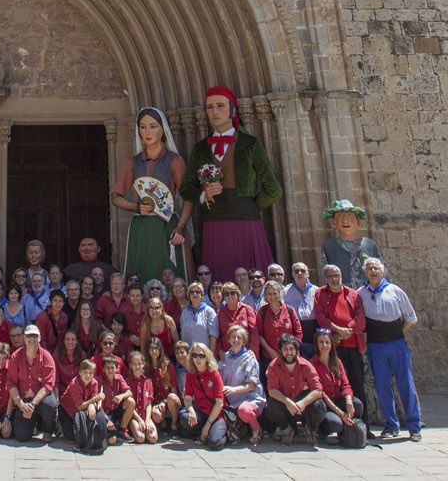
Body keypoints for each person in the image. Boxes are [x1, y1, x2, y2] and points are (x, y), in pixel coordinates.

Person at [176, 87, 281, 280]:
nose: (214, 111)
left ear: (233, 111)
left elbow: (273, 189)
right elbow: (185, 188)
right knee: (219, 282)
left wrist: (249, 205)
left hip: (246, 223)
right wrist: (203, 195)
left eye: (220, 106)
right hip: (213, 222)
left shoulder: (250, 144)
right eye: (209, 107)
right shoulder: (200, 148)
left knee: (252, 281)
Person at [113, 107, 188, 285]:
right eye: (143, 126)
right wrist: (137, 207)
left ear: (163, 129)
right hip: (141, 227)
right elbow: (116, 197)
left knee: (169, 274)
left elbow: (188, 198)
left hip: (167, 226)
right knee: (141, 273)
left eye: (153, 126)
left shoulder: (175, 161)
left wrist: (180, 227)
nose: (147, 132)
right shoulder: (133, 162)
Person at [361, 257, 422, 441]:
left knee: (406, 383)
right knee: (382, 385)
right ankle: (391, 424)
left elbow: (410, 318)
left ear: (382, 271)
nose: (373, 271)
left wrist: (394, 332)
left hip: (396, 343)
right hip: (375, 344)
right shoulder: (361, 293)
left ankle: (414, 426)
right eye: (369, 268)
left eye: (376, 268)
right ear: (365, 272)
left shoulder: (395, 291)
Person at [314, 263, 367, 415]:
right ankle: (341, 420)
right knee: (336, 384)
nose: (334, 279)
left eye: (336, 275)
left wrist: (347, 331)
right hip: (333, 348)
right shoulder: (320, 294)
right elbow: (321, 317)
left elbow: (360, 318)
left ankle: (363, 425)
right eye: (330, 276)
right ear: (325, 278)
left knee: (357, 384)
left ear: (341, 276)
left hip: (352, 346)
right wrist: (336, 331)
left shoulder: (352, 294)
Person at [262, 333, 325, 445]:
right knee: (270, 406)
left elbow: (318, 390)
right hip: (285, 404)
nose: (289, 352)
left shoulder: (307, 366)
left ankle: (310, 429)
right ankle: (286, 430)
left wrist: (303, 403)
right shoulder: (273, 366)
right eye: (285, 349)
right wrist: (287, 402)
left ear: (296, 350)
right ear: (280, 351)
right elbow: (272, 390)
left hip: (303, 405)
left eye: (291, 349)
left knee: (319, 405)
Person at [312, 327, 366, 447]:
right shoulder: (312, 364)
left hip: (338, 399)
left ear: (331, 344)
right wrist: (339, 412)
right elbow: (320, 392)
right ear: (316, 344)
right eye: (321, 342)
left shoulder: (337, 362)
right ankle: (322, 432)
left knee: (357, 404)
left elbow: (346, 384)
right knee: (335, 423)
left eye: (327, 342)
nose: (324, 345)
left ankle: (348, 432)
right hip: (326, 405)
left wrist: (348, 400)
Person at [8, 325, 60, 441]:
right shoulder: (15, 356)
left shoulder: (47, 357)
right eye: (28, 336)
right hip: (23, 400)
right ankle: (32, 423)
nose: (31, 339)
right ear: (24, 338)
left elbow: (48, 386)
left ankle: (48, 430)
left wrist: (33, 404)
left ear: (40, 338)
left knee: (50, 404)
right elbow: (11, 384)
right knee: (21, 437)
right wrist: (21, 405)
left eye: (35, 336)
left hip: (40, 400)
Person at [320, 199, 384, 290]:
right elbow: (325, 276)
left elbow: (383, 272)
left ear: (358, 222)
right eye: (340, 217)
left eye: (350, 216)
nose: (345, 221)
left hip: (370, 295)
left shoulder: (370, 245)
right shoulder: (328, 247)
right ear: (333, 222)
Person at [218, 324, 265, 446]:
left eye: (239, 338)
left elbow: (252, 386)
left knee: (244, 411)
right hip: (231, 399)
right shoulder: (225, 357)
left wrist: (233, 390)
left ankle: (256, 430)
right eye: (233, 337)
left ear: (244, 341)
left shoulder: (249, 358)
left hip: (249, 397)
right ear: (228, 340)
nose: (236, 340)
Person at [180, 343, 227, 447]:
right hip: (201, 411)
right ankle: (204, 432)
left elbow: (219, 403)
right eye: (195, 355)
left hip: (215, 414)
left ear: (207, 357)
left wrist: (208, 424)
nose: (198, 359)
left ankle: (214, 431)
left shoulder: (214, 374)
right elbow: (187, 398)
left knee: (215, 443)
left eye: (201, 355)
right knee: (184, 417)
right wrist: (191, 411)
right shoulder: (190, 374)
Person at [61, 358, 109, 453]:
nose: (88, 375)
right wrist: (94, 401)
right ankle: (60, 425)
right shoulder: (75, 383)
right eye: (85, 372)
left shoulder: (94, 382)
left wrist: (92, 404)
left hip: (82, 408)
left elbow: (93, 398)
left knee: (81, 433)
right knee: (71, 438)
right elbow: (79, 406)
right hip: (67, 409)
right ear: (80, 372)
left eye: (91, 373)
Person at [256, 280, 302, 373]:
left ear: (280, 293)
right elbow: (259, 334)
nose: (272, 296)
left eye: (275, 293)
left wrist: (291, 350)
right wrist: (270, 351)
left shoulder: (290, 310)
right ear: (265, 296)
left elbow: (298, 333)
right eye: (269, 294)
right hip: (270, 356)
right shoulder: (262, 311)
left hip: (291, 355)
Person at [143, 336, 180, 437]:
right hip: (154, 401)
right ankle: (162, 423)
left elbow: (173, 390)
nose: (154, 351)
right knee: (156, 415)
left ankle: (174, 425)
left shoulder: (168, 366)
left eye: (156, 348)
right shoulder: (146, 367)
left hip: (168, 401)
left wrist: (165, 402)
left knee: (172, 397)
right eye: (151, 348)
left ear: (161, 349)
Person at [97, 354, 134, 446]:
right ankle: (110, 431)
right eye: (107, 367)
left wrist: (121, 396)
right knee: (112, 441)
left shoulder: (119, 378)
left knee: (130, 401)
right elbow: (98, 405)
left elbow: (129, 392)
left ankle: (121, 431)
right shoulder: (98, 380)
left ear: (117, 369)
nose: (110, 370)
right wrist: (107, 420)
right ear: (103, 369)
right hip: (104, 413)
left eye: (112, 368)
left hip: (115, 411)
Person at [285, 262, 320, 356]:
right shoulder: (285, 292)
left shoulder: (317, 291)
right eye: (296, 271)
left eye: (302, 271)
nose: (299, 273)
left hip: (315, 331)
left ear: (308, 274)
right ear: (292, 274)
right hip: (296, 332)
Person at [122, 351, 157, 443]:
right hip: (135, 416)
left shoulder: (148, 381)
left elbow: (149, 403)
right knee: (140, 438)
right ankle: (133, 429)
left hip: (145, 415)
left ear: (143, 365)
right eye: (134, 364)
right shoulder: (127, 381)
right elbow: (130, 406)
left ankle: (146, 428)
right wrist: (140, 420)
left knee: (153, 438)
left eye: (139, 364)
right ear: (130, 365)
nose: (137, 367)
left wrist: (147, 420)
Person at [54, 328, 84, 394]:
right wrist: (56, 397)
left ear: (77, 341)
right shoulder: (57, 355)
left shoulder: (82, 355)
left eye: (73, 339)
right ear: (64, 341)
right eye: (67, 339)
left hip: (79, 391)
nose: (70, 342)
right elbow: (56, 379)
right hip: (63, 392)